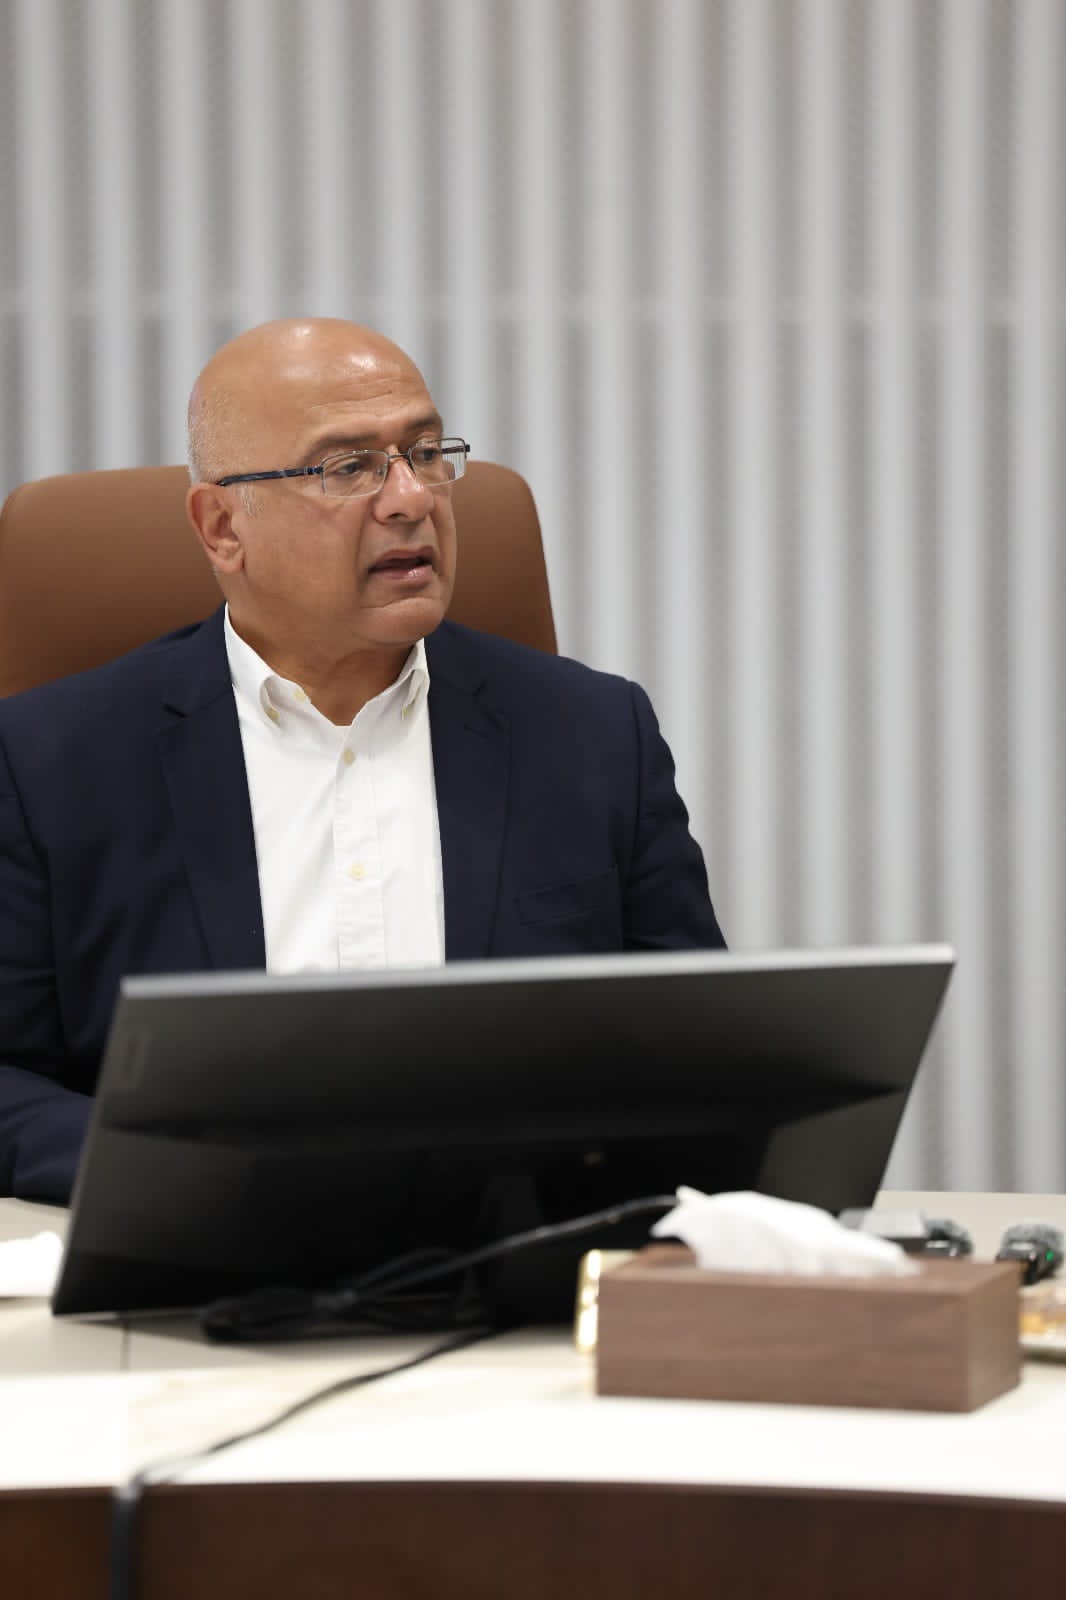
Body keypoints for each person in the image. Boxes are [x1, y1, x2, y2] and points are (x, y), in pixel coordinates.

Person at [0, 317, 725, 1202]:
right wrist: (201, 1178)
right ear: (222, 526)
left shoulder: (595, 734)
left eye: (424, 453)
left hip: (512, 1251)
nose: (410, 498)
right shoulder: (47, 763)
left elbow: (699, 1051)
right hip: (196, 1255)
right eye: (348, 467)